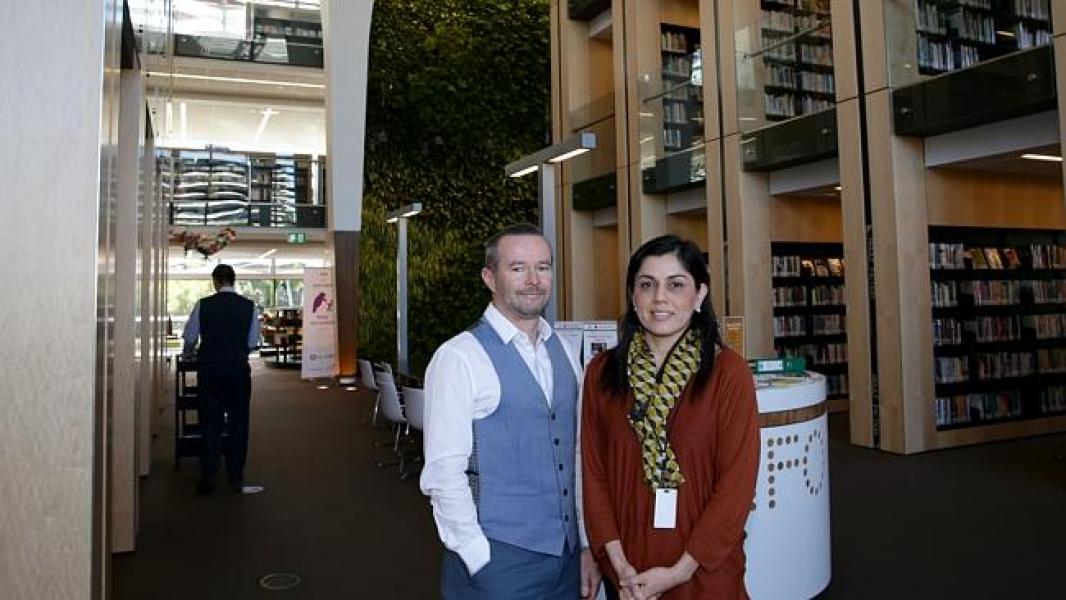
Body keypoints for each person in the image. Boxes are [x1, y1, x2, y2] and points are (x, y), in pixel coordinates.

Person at [420, 223, 601, 599]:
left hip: (565, 561)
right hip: (497, 563)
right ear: (490, 277)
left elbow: (578, 456)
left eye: (544, 267)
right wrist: (475, 554)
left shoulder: (564, 351)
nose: (534, 280)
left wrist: (585, 543)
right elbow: (443, 474)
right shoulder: (459, 357)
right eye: (518, 268)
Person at [580, 235, 759, 600]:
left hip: (702, 572)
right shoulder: (601, 373)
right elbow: (594, 474)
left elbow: (736, 485)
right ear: (633, 295)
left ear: (699, 295)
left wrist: (679, 572)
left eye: (675, 285)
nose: (660, 298)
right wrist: (618, 565)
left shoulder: (728, 373)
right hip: (627, 573)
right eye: (647, 285)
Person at [182, 263, 261, 495]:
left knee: (210, 422)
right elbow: (252, 342)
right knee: (239, 421)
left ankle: (208, 476)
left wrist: (189, 352)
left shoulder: (203, 305)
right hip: (237, 370)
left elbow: (190, 336)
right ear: (233, 281)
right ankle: (235, 473)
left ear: (216, 281)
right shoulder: (249, 306)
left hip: (210, 370)